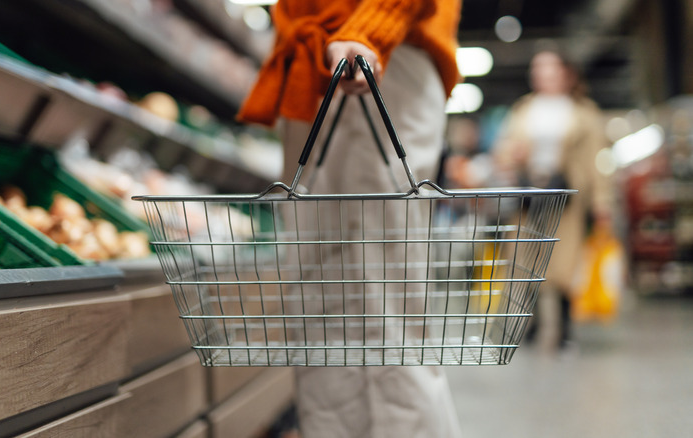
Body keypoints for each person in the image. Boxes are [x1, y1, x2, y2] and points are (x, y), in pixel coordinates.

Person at [237, 1, 463, 437]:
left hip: (377, 57)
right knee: (321, 301)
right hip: (319, 61)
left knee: (380, 299)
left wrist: (371, 30)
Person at [492, 49, 613, 351]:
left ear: (565, 73)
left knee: (564, 263)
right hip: (529, 195)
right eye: (538, 69)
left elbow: (597, 162)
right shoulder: (524, 109)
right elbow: (503, 150)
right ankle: (528, 328)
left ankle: (564, 329)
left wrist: (602, 202)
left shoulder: (584, 113)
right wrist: (512, 155)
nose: (542, 75)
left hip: (567, 197)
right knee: (526, 262)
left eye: (549, 69)